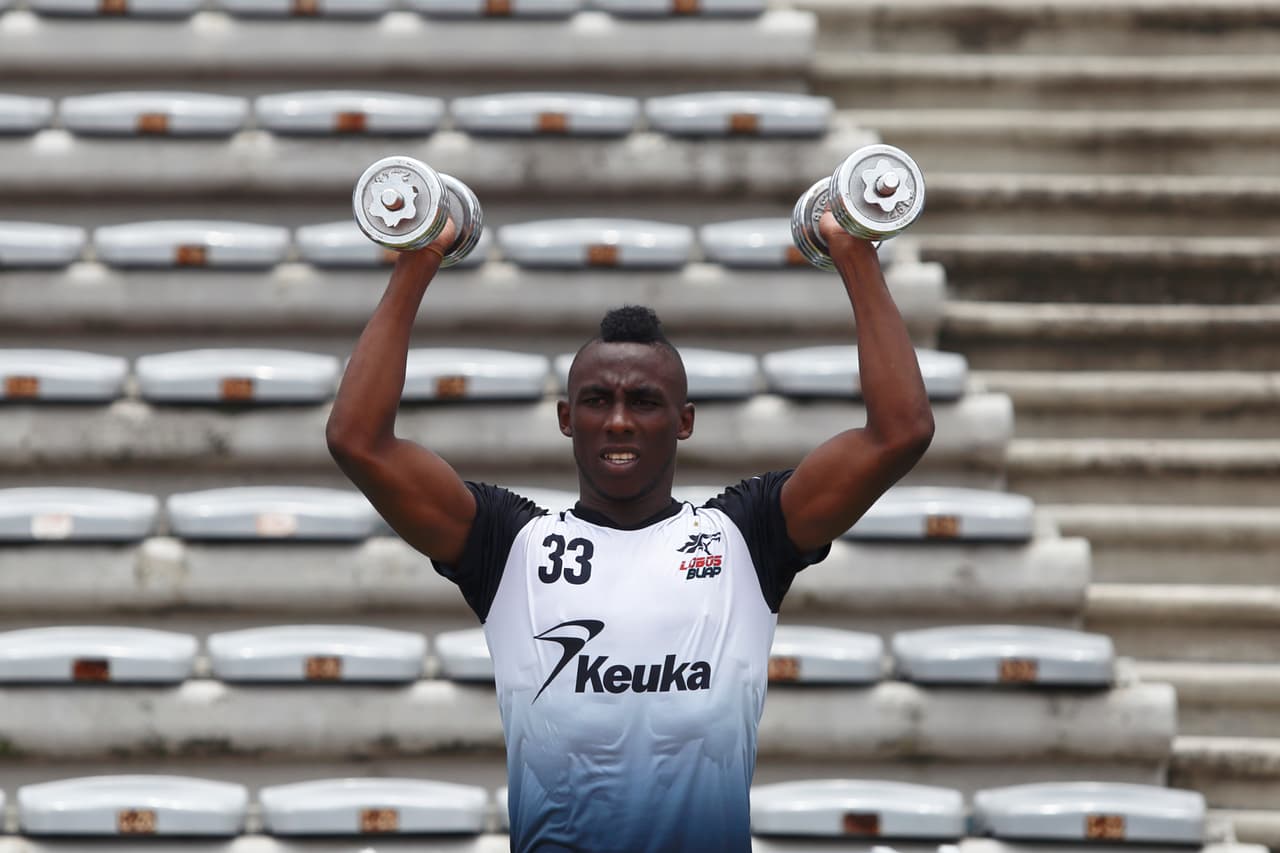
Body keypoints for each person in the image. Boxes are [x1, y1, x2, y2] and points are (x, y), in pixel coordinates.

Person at [326, 212, 935, 853]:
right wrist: (418, 260)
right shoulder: (509, 546)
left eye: (643, 402)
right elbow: (356, 440)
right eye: (597, 400)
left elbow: (901, 432)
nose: (618, 421)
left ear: (684, 421)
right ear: (567, 418)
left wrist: (855, 253)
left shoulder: (746, 538)